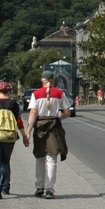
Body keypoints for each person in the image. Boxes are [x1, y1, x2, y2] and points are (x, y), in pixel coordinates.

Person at [26, 70, 71, 199]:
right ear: (53, 80)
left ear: (42, 80)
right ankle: (49, 189)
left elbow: (33, 113)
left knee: (40, 157)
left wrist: (28, 131)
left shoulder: (36, 94)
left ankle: (39, 187)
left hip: (40, 126)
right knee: (52, 158)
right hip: (54, 127)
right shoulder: (60, 93)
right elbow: (67, 112)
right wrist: (60, 117)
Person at [0, 81, 29, 198]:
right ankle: (5, 187)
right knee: (6, 162)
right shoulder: (13, 104)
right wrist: (24, 136)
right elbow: (19, 121)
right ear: (8, 91)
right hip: (10, 137)